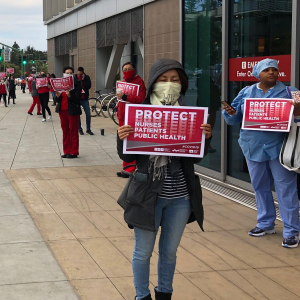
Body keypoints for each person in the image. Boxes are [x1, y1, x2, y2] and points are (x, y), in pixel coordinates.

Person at [117, 59, 212, 300]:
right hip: (147, 195)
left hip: (180, 197)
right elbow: (127, 156)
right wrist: (123, 137)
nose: (169, 85)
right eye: (163, 79)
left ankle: (164, 294)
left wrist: (205, 138)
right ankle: (142, 296)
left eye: (175, 80)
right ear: (152, 83)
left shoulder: (189, 115)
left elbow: (196, 159)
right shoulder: (140, 113)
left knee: (169, 252)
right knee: (143, 251)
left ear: (183, 85)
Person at [222, 58, 300, 248]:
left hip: (279, 147)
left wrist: (297, 108)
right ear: (257, 73)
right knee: (259, 186)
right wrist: (231, 113)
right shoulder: (246, 92)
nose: (271, 72)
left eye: (274, 69)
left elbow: (298, 117)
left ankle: (292, 231)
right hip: (252, 146)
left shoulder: (292, 91)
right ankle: (265, 223)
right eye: (267, 70)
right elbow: (234, 119)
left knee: (286, 189)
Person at [116, 62, 147, 178]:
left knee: (130, 141)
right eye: (125, 69)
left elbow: (140, 99)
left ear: (134, 69)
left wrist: (126, 97)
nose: (127, 70)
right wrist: (117, 106)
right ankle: (126, 167)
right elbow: (119, 99)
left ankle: (131, 168)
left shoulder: (139, 82)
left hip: (132, 116)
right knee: (123, 141)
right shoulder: (122, 83)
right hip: (122, 115)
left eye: (129, 68)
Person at [55, 67, 82, 159]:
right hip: (62, 110)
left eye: (70, 73)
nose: (68, 74)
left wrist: (70, 95)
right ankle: (66, 151)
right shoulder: (61, 84)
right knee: (65, 131)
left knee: (73, 131)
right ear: (64, 74)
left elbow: (78, 99)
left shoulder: (77, 84)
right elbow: (58, 100)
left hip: (72, 110)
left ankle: (74, 151)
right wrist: (58, 96)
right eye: (67, 73)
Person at [76, 67, 93, 135]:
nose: (79, 75)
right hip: (77, 99)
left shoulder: (87, 77)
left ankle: (88, 129)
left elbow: (89, 86)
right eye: (78, 73)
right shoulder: (75, 77)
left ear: (83, 73)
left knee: (88, 114)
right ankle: (79, 128)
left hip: (85, 98)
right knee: (78, 114)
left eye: (81, 74)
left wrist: (83, 80)